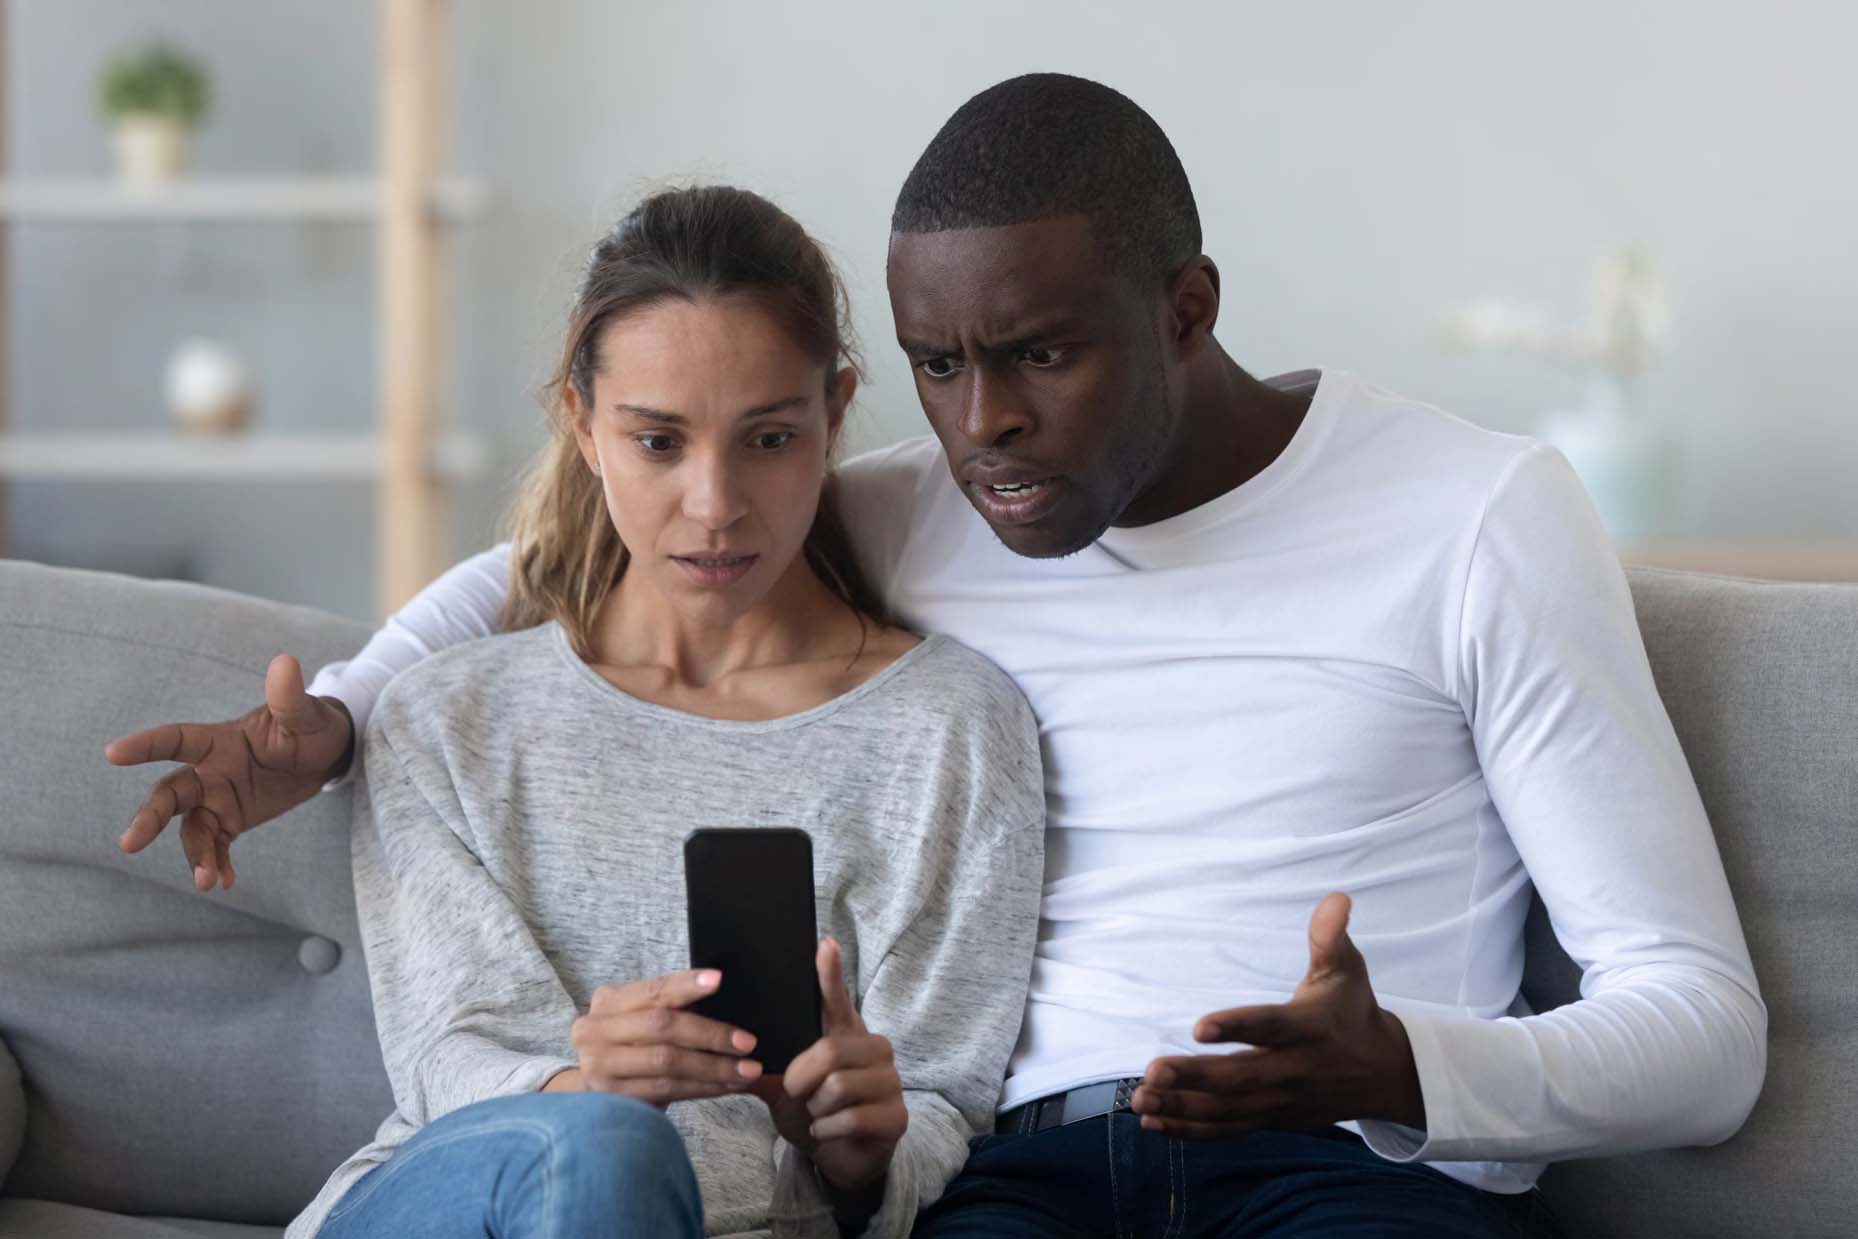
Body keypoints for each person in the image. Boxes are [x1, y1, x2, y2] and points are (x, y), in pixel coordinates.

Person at [111, 76, 1765, 1239]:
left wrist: (1405, 1060)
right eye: (937, 369)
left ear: (1184, 308)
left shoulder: (1472, 514)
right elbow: (580, 563)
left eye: (1038, 356)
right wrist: (340, 714)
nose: (985, 429)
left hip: (1339, 1161)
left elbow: (1699, 1028)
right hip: (1022, 1184)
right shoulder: (937, 502)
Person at [111, 184, 1046, 1239]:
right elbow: (446, 1064)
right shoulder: (448, 721)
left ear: (834, 413)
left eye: (768, 439)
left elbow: (944, 1098)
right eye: (658, 442)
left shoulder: (952, 731)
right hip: (462, 1205)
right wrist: (582, 1089)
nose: (714, 504)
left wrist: (865, 1148)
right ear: (583, 425)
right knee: (604, 1148)